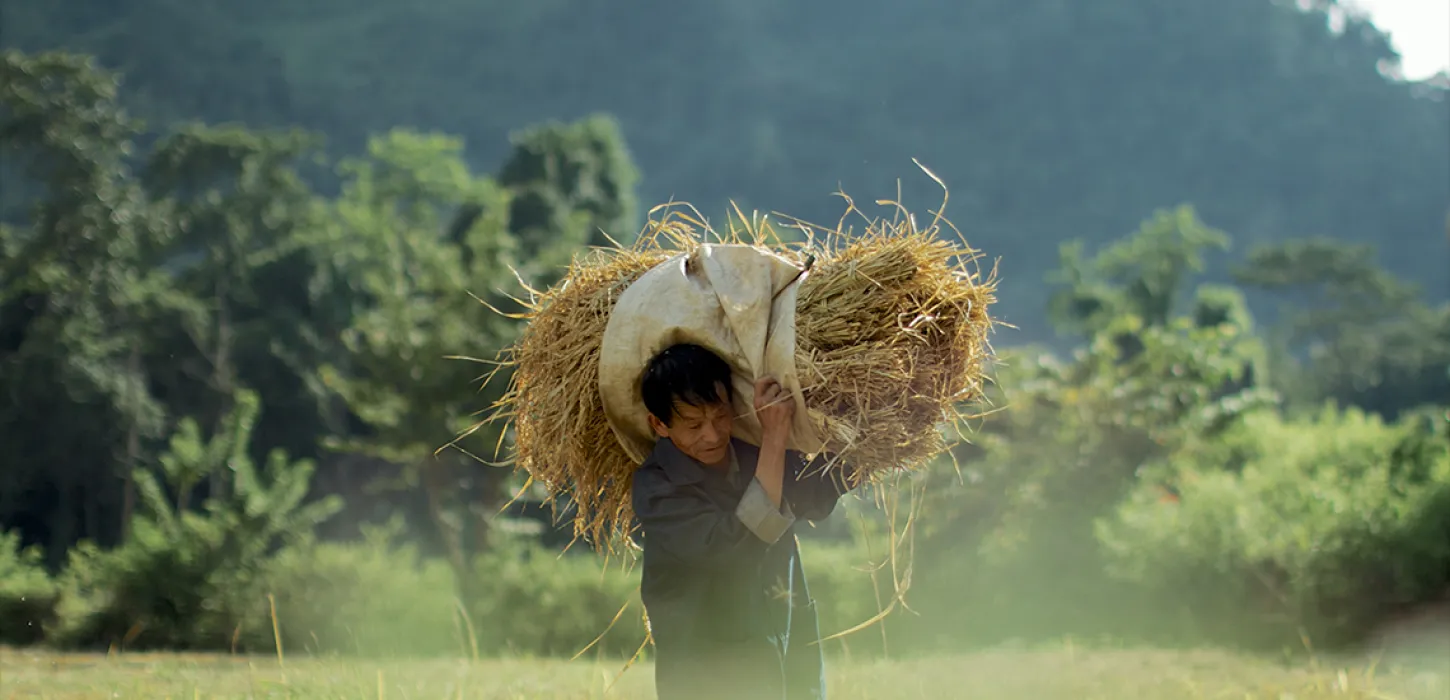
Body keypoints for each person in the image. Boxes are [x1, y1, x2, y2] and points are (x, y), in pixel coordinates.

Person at [630, 343, 859, 700]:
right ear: (658, 424)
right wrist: (775, 437)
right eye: (693, 424)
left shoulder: (752, 451)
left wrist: (870, 433)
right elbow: (734, 546)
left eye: (720, 416)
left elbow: (813, 498)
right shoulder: (658, 488)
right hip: (708, 677)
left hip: (787, 656)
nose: (712, 434)